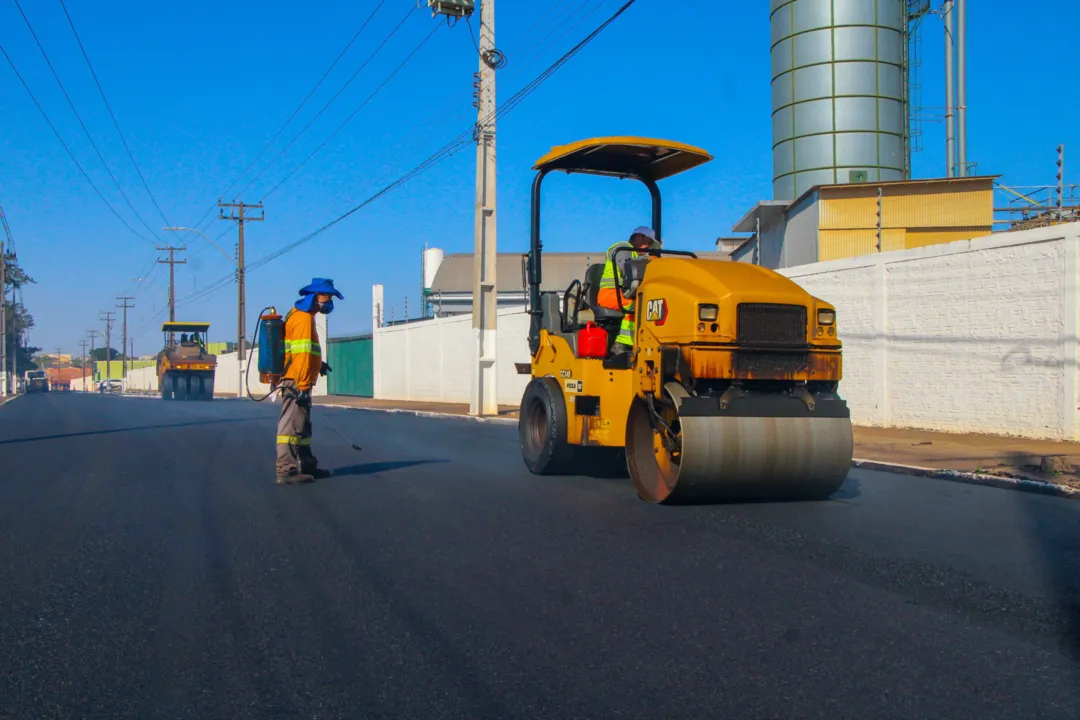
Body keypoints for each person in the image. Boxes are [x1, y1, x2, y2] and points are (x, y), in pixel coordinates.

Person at [275, 278, 342, 485]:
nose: (329, 302)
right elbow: (301, 354)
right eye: (327, 298)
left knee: (302, 427)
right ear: (315, 297)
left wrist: (318, 364)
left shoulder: (304, 316)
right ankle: (286, 470)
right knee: (290, 427)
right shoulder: (303, 318)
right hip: (296, 381)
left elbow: (306, 352)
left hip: (299, 378)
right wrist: (303, 386)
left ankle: (307, 465)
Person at [596, 226, 660, 353]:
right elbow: (628, 268)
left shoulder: (635, 253)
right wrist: (647, 261)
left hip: (623, 294)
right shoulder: (622, 248)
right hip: (609, 294)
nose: (649, 249)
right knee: (638, 306)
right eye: (648, 243)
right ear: (639, 237)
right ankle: (621, 344)